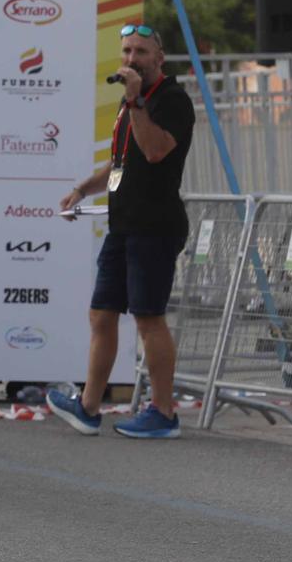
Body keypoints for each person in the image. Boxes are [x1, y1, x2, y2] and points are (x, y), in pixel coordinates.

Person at [46, 22, 196, 440]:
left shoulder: (171, 100)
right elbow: (120, 163)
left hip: (155, 226)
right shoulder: (132, 104)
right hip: (122, 224)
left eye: (141, 52)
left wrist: (134, 102)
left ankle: (164, 412)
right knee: (101, 313)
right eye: (127, 52)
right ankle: (89, 406)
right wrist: (82, 188)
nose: (131, 60)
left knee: (149, 318)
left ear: (159, 58)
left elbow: (153, 151)